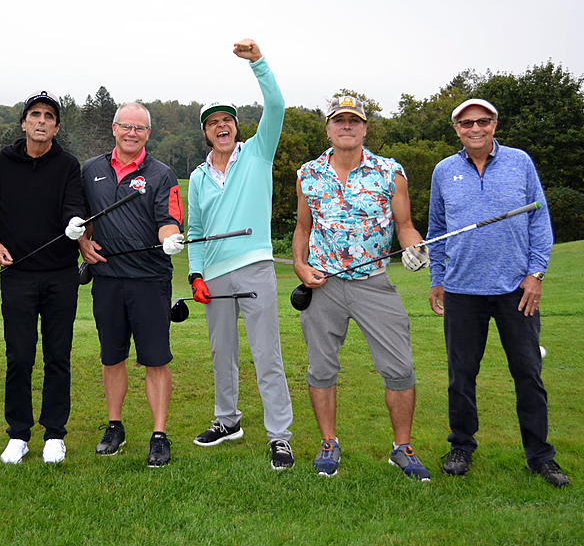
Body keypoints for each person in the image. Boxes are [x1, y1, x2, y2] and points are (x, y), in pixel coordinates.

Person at [428, 98, 569, 487]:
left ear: (494, 124)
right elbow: (437, 230)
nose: (475, 128)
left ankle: (540, 456)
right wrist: (436, 278)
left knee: (527, 373)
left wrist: (536, 273)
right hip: (461, 290)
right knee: (461, 376)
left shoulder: (520, 162)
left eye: (483, 121)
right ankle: (461, 446)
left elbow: (539, 219)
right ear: (456, 128)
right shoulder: (444, 171)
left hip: (516, 290)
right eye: (467, 122)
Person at [292, 95, 431, 480]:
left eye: (355, 121)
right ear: (329, 128)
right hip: (324, 284)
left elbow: (404, 225)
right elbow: (304, 228)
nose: (347, 126)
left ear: (366, 128)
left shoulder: (390, 172)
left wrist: (413, 246)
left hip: (374, 284)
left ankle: (402, 448)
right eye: (340, 120)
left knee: (400, 368)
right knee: (321, 369)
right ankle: (328, 442)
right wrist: (301, 265)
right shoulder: (308, 173)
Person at [185, 39, 295, 470]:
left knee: (267, 354)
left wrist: (259, 64)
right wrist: (196, 274)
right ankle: (227, 420)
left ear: (236, 125)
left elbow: (278, 105)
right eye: (212, 123)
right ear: (206, 132)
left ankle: (279, 435)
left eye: (226, 119)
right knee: (222, 354)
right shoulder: (196, 177)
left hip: (254, 268)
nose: (221, 126)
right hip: (213, 276)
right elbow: (195, 230)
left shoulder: (258, 153)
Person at [0, 90, 85, 465]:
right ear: (23, 123)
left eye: (48, 116)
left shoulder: (68, 164)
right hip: (17, 275)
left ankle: (54, 433)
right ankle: (18, 434)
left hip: (60, 276)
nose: (41, 121)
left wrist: (74, 224)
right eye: (34, 114)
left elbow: (75, 205)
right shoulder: (4, 162)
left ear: (56, 127)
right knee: (20, 356)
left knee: (58, 355)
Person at [77, 102, 184, 467]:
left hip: (149, 280)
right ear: (114, 128)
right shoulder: (91, 170)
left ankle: (158, 434)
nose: (132, 133)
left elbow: (168, 219)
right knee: (112, 356)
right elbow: (81, 217)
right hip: (107, 279)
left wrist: (171, 237)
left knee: (155, 359)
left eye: (140, 128)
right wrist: (81, 240)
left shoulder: (162, 174)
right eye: (126, 126)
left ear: (148, 134)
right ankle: (115, 426)